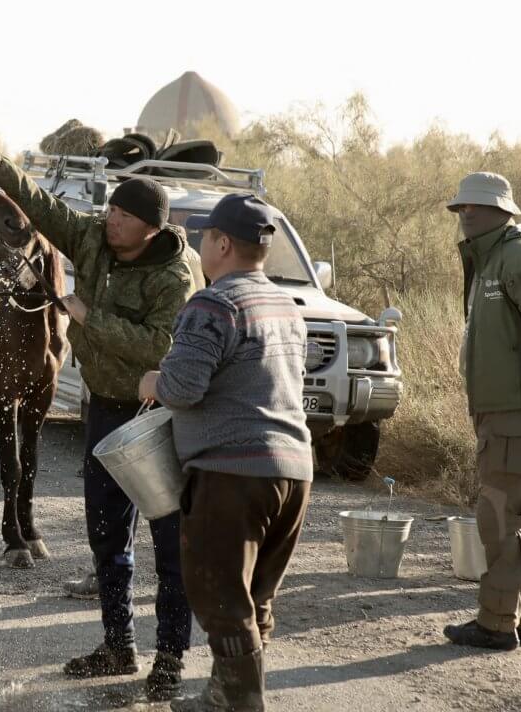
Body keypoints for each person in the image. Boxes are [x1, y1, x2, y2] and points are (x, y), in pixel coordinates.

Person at [0, 128, 197, 701]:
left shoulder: (175, 276)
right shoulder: (93, 239)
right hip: (105, 411)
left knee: (169, 544)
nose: (109, 219)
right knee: (107, 536)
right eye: (109, 208)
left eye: (121, 214)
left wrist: (84, 314)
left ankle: (171, 658)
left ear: (150, 228)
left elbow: (158, 345)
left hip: (159, 417)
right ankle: (118, 646)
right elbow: (43, 207)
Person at [142, 193, 313, 711]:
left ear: (221, 243)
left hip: (231, 473)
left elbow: (184, 387)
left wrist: (152, 380)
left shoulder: (213, 303)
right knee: (253, 597)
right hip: (293, 472)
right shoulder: (286, 304)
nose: (197, 246)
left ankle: (241, 703)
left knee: (219, 594)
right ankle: (224, 694)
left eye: (202, 238)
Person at [443, 171, 521, 651]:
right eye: (461, 209)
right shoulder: (490, 260)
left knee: (500, 516)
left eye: (475, 207)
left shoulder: (520, 257)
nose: (465, 215)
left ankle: (496, 623)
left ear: (502, 210)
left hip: (517, 412)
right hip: (504, 413)